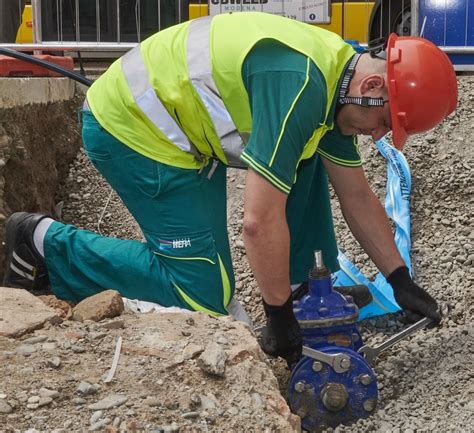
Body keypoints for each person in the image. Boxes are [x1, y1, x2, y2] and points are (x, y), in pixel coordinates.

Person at [3, 12, 457, 363]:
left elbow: (356, 193)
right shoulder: (300, 86)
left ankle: (302, 287)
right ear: (373, 86)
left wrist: (399, 281)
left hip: (185, 131)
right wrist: (275, 318)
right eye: (383, 123)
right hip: (134, 133)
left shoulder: (342, 74)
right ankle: (42, 242)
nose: (379, 136)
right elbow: (258, 223)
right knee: (203, 295)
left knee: (306, 159)